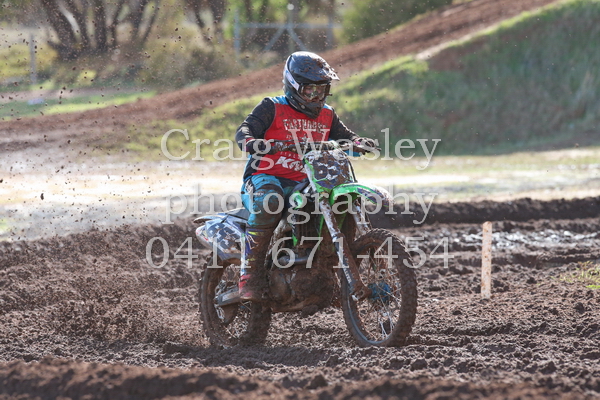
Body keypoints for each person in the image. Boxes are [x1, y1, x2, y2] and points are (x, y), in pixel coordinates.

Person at [235, 51, 375, 302]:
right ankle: (250, 275)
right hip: (265, 177)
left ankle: (328, 269)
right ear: (293, 85)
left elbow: (346, 137)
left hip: (306, 181)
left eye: (322, 90)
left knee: (339, 200)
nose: (316, 97)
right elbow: (245, 129)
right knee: (270, 202)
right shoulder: (272, 107)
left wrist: (358, 142)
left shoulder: (327, 114)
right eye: (310, 90)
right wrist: (253, 142)